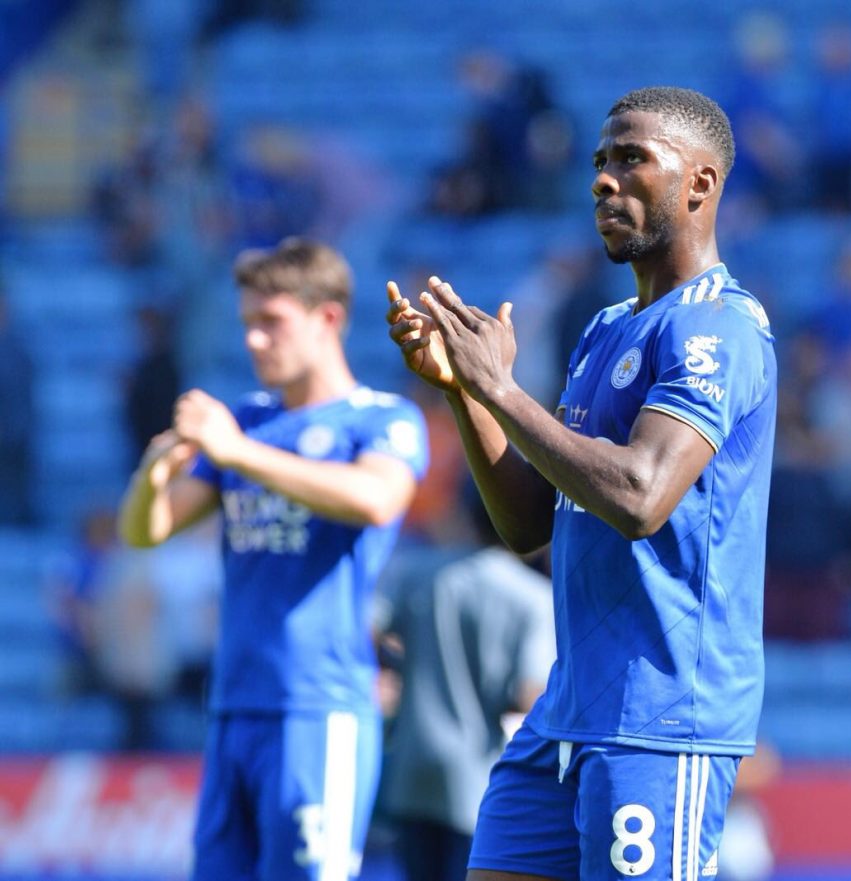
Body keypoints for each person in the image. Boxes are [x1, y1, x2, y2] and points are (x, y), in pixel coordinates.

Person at [386, 85, 777, 881]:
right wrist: (465, 394)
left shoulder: (721, 326)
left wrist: (501, 388)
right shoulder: (605, 330)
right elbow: (529, 523)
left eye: (632, 159)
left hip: (660, 716)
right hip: (565, 710)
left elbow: (639, 497)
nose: (603, 179)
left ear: (700, 183)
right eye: (600, 161)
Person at [117, 237, 428, 881]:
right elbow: (148, 531)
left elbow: (375, 499)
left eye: (272, 321)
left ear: (327, 318)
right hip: (234, 702)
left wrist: (236, 453)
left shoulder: (380, 420)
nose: (254, 340)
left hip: (318, 705)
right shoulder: (248, 421)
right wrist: (152, 474)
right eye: (247, 323)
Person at [377, 483, 556, 881]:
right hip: (478, 777)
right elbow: (529, 694)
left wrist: (398, 671)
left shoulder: (420, 573)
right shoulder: (532, 597)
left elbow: (371, 630)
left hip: (412, 770)